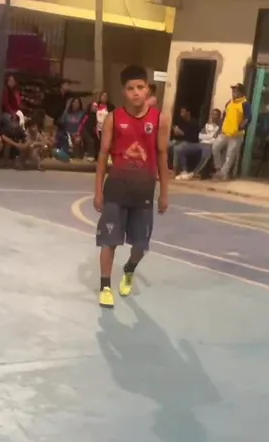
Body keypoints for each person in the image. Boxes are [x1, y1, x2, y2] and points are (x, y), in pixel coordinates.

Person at [93, 65, 169, 309]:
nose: (136, 92)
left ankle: (129, 268)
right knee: (109, 241)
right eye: (130, 88)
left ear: (148, 90)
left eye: (140, 87)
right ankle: (105, 286)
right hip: (116, 189)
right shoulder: (113, 118)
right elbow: (103, 155)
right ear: (123, 92)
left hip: (144, 191)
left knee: (140, 246)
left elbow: (162, 155)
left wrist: (164, 193)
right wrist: (98, 191)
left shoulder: (160, 119)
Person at [212, 83, 249, 181]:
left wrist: (241, 127)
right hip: (225, 132)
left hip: (236, 135)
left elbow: (248, 118)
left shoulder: (245, 104)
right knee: (215, 147)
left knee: (230, 156)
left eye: (236, 92)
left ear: (241, 93)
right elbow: (224, 116)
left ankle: (223, 174)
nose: (233, 93)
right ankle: (218, 168)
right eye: (233, 91)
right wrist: (219, 130)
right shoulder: (229, 102)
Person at [175, 108, 220, 180]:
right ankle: (184, 171)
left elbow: (216, 139)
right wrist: (211, 136)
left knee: (206, 154)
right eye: (212, 114)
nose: (213, 116)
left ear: (219, 116)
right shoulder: (207, 125)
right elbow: (200, 136)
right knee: (180, 148)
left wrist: (208, 137)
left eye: (216, 115)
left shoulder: (219, 127)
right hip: (200, 143)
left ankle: (193, 173)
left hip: (209, 145)